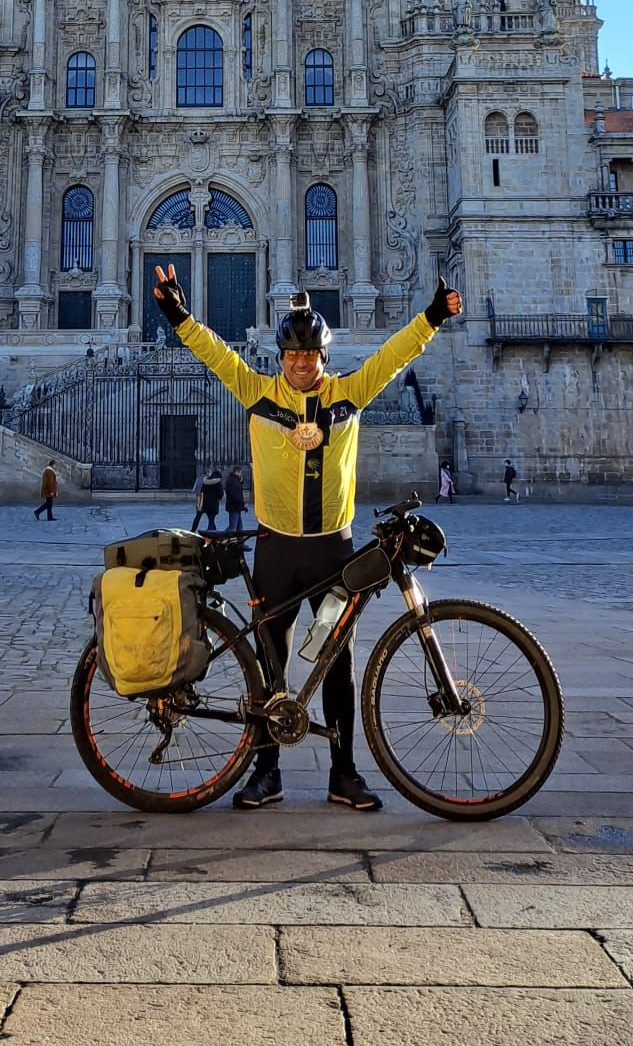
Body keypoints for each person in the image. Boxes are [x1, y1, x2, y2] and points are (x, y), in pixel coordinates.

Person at [153, 262, 459, 813]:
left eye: (309, 355)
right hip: (276, 548)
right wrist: (180, 317)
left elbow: (392, 358)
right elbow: (217, 354)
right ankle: (266, 773)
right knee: (271, 662)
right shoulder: (257, 393)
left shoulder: (349, 394)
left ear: (323, 357)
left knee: (337, 663)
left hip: (331, 550)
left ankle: (344, 774)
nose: (300, 363)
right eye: (292, 355)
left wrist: (432, 317)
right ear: (281, 358)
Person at [191, 467, 224, 533]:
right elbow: (221, 495)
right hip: (213, 504)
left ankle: (193, 530)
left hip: (203, 502)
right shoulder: (218, 483)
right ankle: (211, 534)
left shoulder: (205, 481)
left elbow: (201, 490)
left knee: (198, 516)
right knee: (211, 520)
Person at [224, 466, 246, 533]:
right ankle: (220, 538)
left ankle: (241, 543)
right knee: (232, 527)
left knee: (239, 527)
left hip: (235, 506)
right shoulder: (233, 481)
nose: (241, 474)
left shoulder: (234, 480)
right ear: (237, 472)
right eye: (240, 473)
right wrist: (243, 503)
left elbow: (237, 490)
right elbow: (236, 495)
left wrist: (241, 482)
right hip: (234, 506)